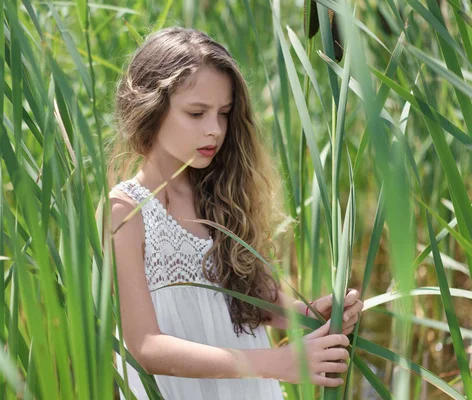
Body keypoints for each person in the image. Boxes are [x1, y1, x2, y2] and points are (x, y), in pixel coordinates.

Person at [107, 27, 363, 400]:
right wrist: (276, 363)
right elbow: (145, 346)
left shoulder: (222, 194)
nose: (214, 130)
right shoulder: (126, 210)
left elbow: (248, 299)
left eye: (224, 114)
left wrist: (308, 314)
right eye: (196, 113)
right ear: (151, 108)